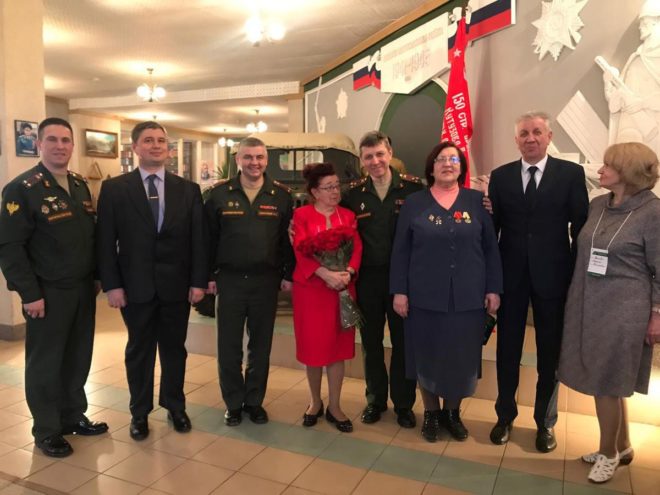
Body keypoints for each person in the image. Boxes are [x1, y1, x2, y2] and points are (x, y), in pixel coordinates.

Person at [0, 118, 108, 458]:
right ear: (39, 145)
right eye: (52, 140)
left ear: (72, 145)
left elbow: (89, 236)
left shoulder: (79, 185)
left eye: (65, 140)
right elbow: (10, 247)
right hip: (47, 293)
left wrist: (97, 277)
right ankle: (47, 429)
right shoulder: (22, 189)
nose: (60, 146)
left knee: (78, 355)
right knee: (46, 363)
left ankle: (73, 416)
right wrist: (29, 294)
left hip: (82, 289)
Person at [96, 121, 208, 441]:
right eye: (148, 140)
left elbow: (198, 240)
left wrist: (198, 281)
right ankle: (139, 412)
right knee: (139, 352)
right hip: (134, 287)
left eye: (161, 140)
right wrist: (112, 285)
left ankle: (175, 406)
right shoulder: (115, 189)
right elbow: (105, 242)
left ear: (168, 149)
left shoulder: (188, 190)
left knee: (174, 351)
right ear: (135, 147)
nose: (156, 145)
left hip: (176, 286)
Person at [558, 142, 660, 484]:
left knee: (605, 381)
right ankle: (623, 445)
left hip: (625, 310)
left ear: (628, 173)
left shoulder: (652, 213)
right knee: (611, 382)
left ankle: (608, 454)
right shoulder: (599, 204)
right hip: (589, 303)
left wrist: (657, 314)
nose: (600, 170)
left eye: (608, 166)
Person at [488, 111, 589, 452]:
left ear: (549, 137)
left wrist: (572, 275)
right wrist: (492, 280)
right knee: (507, 351)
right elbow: (493, 232)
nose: (530, 138)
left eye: (536, 132)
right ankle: (504, 416)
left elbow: (580, 228)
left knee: (550, 354)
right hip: (511, 278)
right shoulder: (500, 177)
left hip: (554, 279)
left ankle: (545, 422)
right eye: (523, 133)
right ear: (516, 140)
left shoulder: (570, 174)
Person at [390, 142, 502, 442]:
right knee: (426, 355)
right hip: (424, 296)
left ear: (462, 168)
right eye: (441, 159)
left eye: (454, 159)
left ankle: (452, 413)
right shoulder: (414, 203)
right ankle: (431, 413)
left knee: (461, 358)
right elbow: (401, 251)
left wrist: (494, 288)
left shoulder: (477, 202)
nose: (448, 164)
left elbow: (491, 249)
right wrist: (399, 291)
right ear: (431, 167)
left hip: (468, 297)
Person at [204, 137, 294, 427]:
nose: (254, 163)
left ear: (266, 160)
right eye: (248, 157)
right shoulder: (218, 194)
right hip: (229, 281)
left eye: (259, 157)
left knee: (260, 346)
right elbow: (207, 239)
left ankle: (254, 402)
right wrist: (208, 276)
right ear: (238, 160)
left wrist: (288, 274)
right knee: (228, 347)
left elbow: (286, 242)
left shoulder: (281, 196)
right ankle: (233, 403)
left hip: (265, 282)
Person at [342, 131, 422, 428]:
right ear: (361, 161)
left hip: (404, 281)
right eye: (368, 157)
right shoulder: (353, 195)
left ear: (390, 153)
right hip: (368, 280)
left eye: (379, 154)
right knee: (371, 342)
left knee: (403, 343)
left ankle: (403, 404)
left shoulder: (413, 190)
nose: (375, 161)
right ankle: (375, 400)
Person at [292, 162, 362, 432]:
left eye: (336, 186)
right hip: (312, 291)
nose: (335, 191)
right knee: (314, 347)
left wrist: (349, 272)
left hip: (342, 289)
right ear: (314, 192)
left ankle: (335, 405)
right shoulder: (302, 216)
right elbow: (300, 251)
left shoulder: (348, 215)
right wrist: (325, 274)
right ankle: (315, 402)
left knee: (337, 349)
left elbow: (357, 247)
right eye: (328, 187)